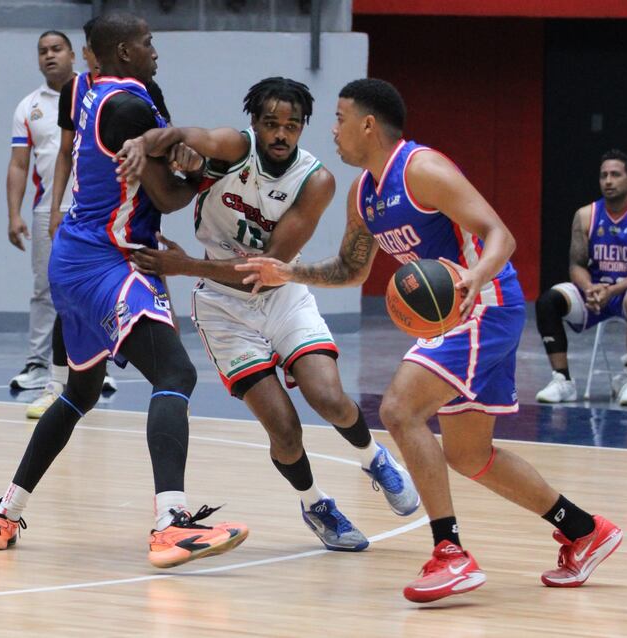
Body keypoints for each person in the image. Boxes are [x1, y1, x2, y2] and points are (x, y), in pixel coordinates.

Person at [236, 79, 622, 602]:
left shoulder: (422, 170)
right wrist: (291, 272)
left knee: (399, 409)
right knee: (470, 455)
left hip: (481, 306)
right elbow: (352, 268)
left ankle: (451, 554)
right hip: (460, 315)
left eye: (340, 117)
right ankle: (584, 530)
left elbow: (500, 236)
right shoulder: (364, 193)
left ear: (367, 125)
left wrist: (473, 277)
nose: (333, 130)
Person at [0, 13, 247, 569]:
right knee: (176, 374)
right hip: (108, 260)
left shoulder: (85, 88)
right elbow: (169, 196)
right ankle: (170, 523)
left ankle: (4, 511)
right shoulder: (128, 107)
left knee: (78, 392)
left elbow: (103, 163)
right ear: (125, 51)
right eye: (148, 43)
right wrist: (200, 173)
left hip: (73, 254)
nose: (156, 50)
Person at [115, 76, 419, 552]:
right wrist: (145, 142)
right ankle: (315, 504)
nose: (281, 134)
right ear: (254, 124)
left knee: (329, 398)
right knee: (284, 428)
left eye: (292, 126)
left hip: (280, 292)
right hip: (222, 308)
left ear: (303, 129)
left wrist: (184, 265)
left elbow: (266, 270)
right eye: (272, 124)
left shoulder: (316, 180)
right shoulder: (234, 148)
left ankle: (373, 457)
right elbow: (183, 135)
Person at [535, 150, 627, 407]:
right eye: (603, 175)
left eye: (615, 175)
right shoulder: (585, 215)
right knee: (548, 301)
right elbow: (576, 265)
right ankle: (563, 380)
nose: (608, 180)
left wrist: (612, 291)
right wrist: (590, 288)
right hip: (597, 290)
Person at [5, 31, 75, 394]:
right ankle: (37, 364)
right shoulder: (29, 106)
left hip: (92, 210)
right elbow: (19, 165)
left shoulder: (93, 96)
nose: (50, 56)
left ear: (73, 54)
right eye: (43, 51)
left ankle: (92, 366)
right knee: (45, 288)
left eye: (57, 49)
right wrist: (14, 214)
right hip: (48, 210)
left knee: (89, 290)